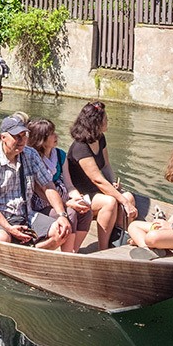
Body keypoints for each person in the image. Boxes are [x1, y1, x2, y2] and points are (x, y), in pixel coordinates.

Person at [0, 118, 72, 248]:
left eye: (23, 136)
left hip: (24, 213)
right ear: (3, 137)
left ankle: (29, 256)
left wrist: (62, 215)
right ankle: (22, 254)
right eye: (16, 136)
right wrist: (9, 228)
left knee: (60, 231)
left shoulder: (31, 154)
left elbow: (48, 185)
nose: (21, 141)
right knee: (2, 238)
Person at [66, 101, 137, 251]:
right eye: (106, 119)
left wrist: (112, 182)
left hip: (98, 190)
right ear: (96, 122)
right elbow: (97, 179)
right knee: (110, 202)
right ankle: (103, 249)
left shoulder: (100, 138)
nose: (108, 122)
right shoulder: (80, 147)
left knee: (129, 197)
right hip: (83, 194)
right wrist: (121, 200)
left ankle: (117, 242)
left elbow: (106, 165)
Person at [26, 118, 90, 252]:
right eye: (52, 134)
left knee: (85, 211)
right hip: (42, 203)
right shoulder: (34, 158)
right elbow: (42, 192)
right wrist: (68, 204)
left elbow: (69, 185)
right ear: (41, 140)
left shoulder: (60, 155)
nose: (56, 136)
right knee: (71, 213)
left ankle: (74, 250)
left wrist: (78, 199)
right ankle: (67, 255)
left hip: (63, 198)